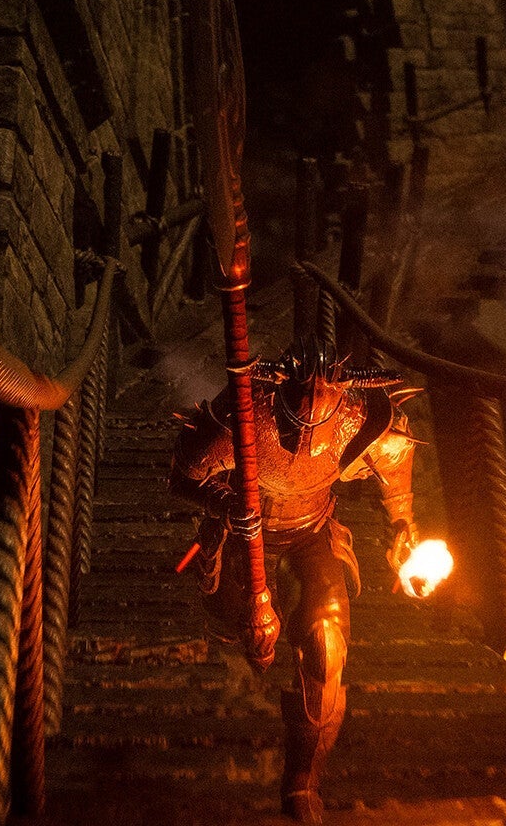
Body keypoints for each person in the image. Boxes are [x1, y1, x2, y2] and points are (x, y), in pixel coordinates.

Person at [169, 340, 421, 822]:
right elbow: (183, 476)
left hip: (311, 534)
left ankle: (302, 785)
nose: (303, 431)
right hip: (245, 538)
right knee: (246, 631)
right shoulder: (244, 416)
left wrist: (404, 528)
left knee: (327, 647)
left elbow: (395, 476)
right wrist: (226, 506)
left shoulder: (359, 420)